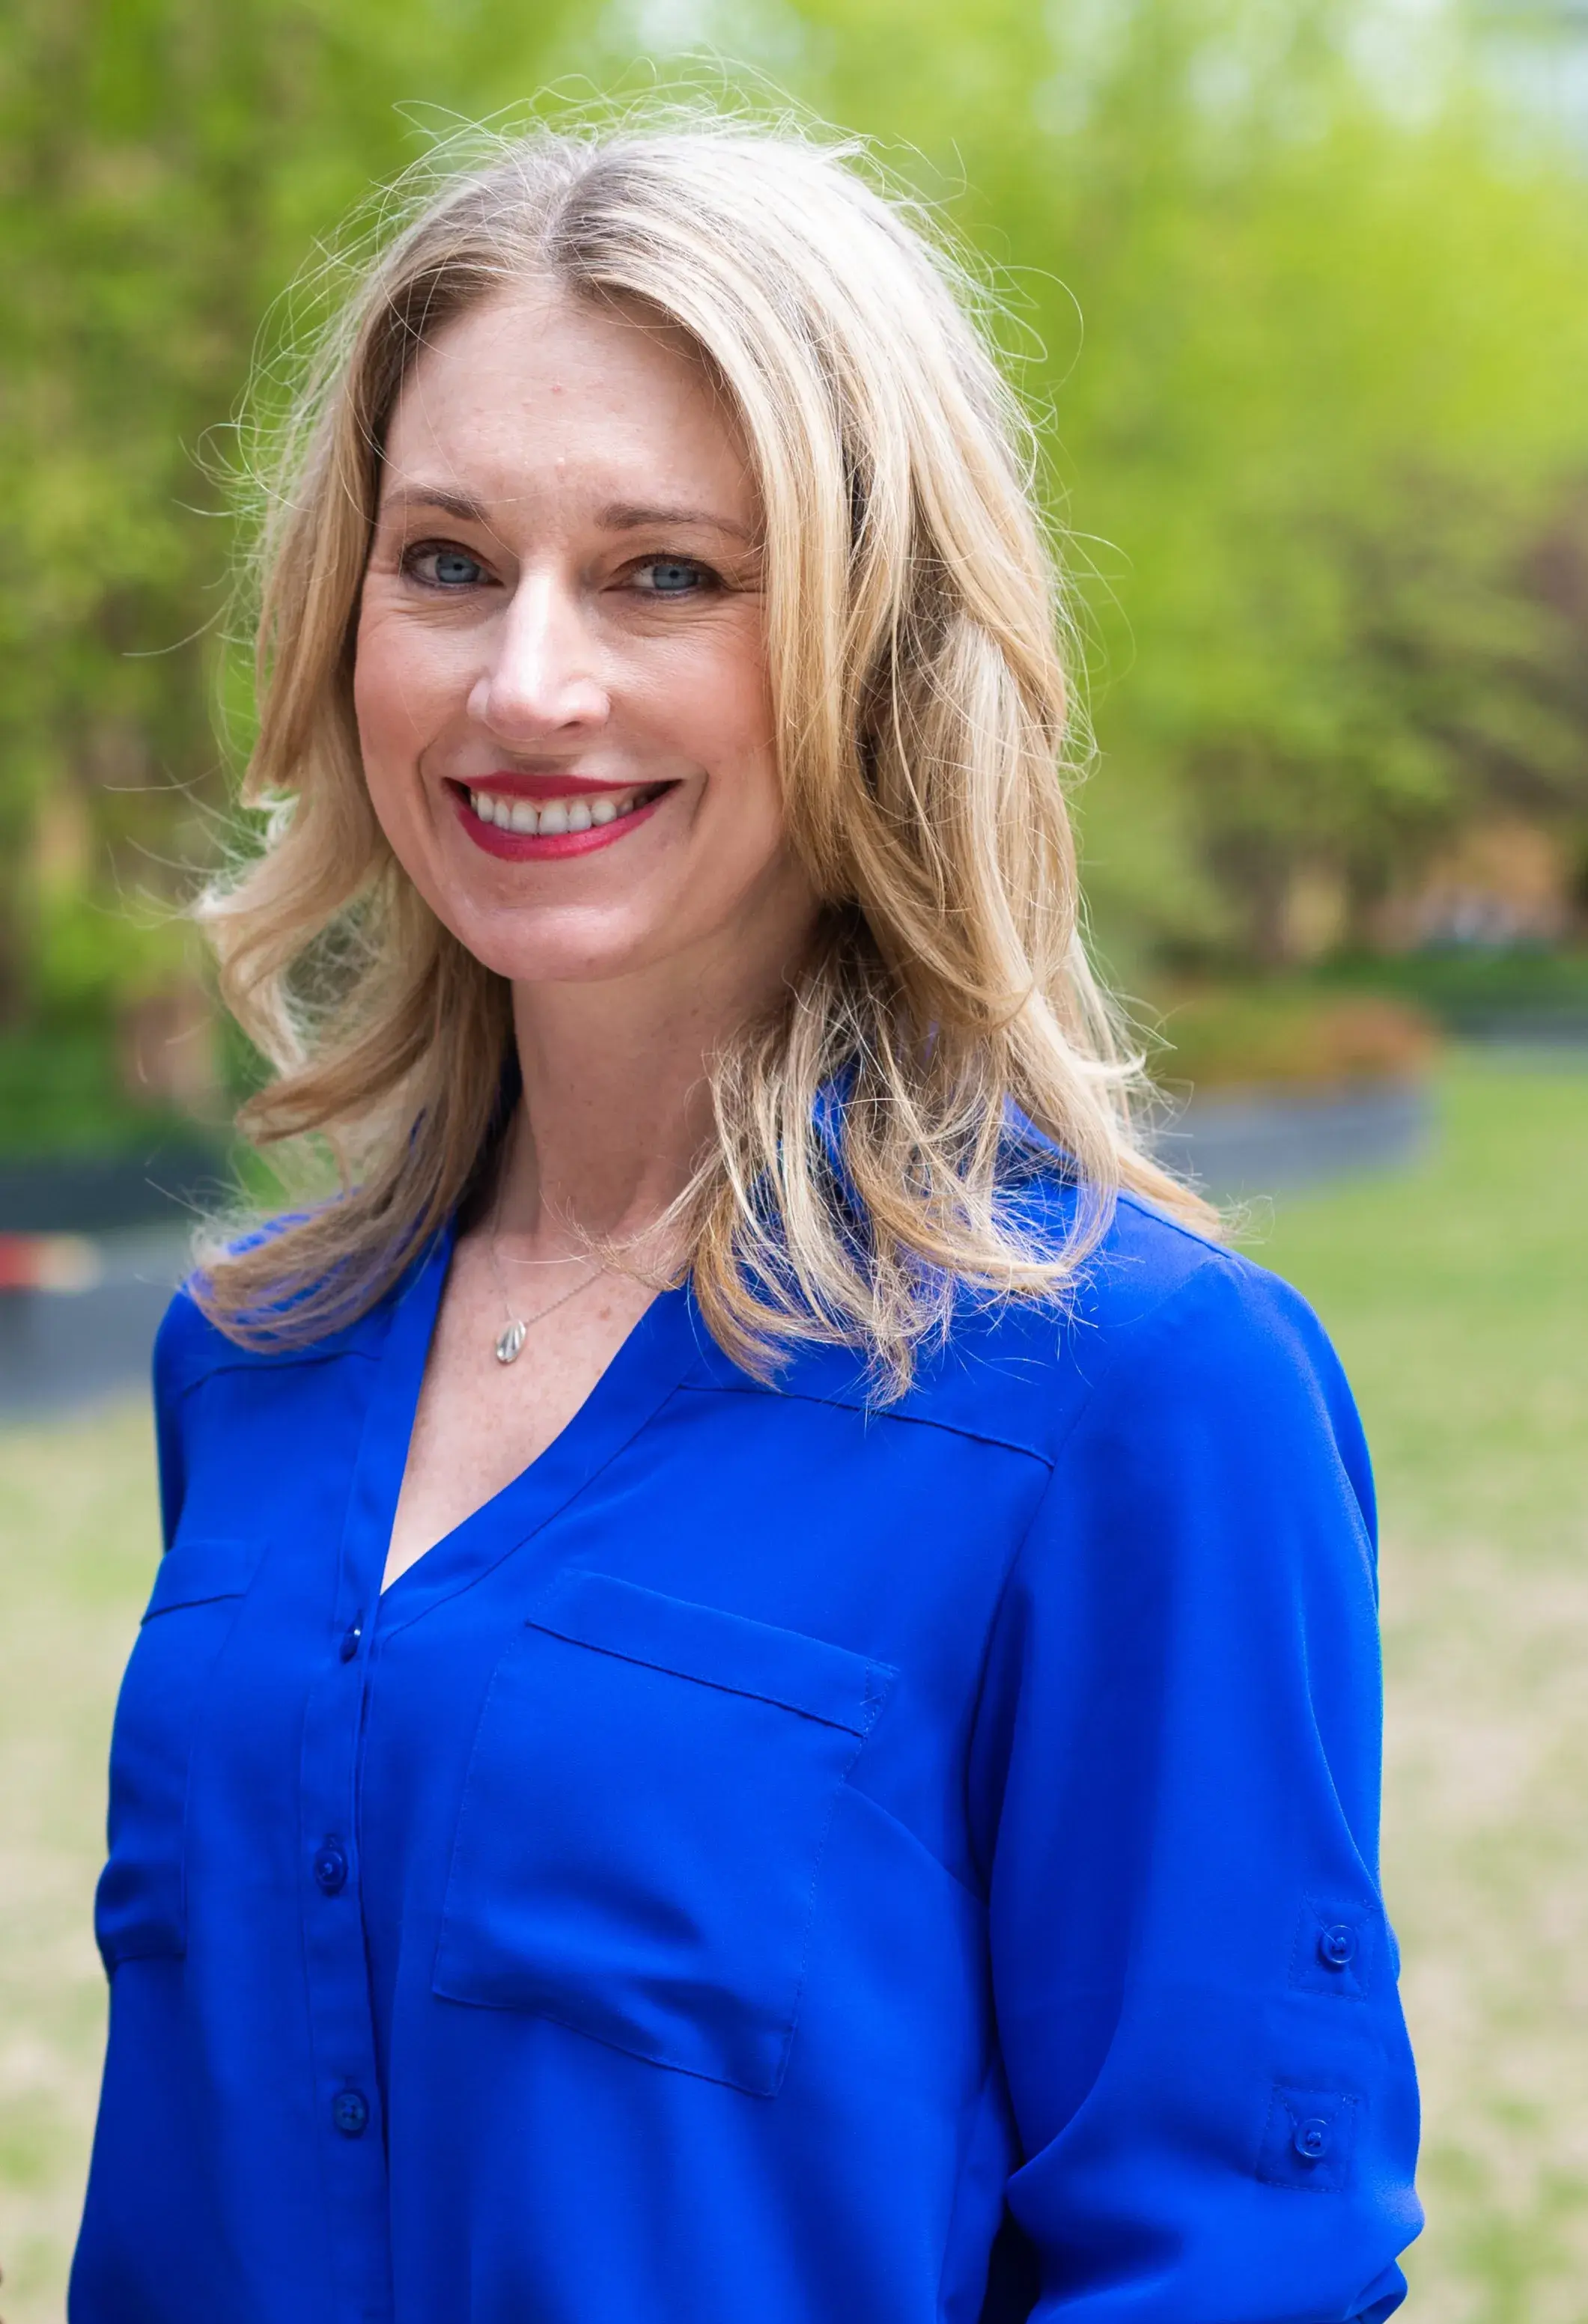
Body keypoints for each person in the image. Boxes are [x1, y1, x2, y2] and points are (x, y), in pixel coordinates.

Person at [70, 115, 1420, 2324]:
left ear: (880, 648)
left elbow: (1229, 2265)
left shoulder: (1140, 1401)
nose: (525, 684)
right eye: (444, 561)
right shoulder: (255, 1359)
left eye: (665, 573)